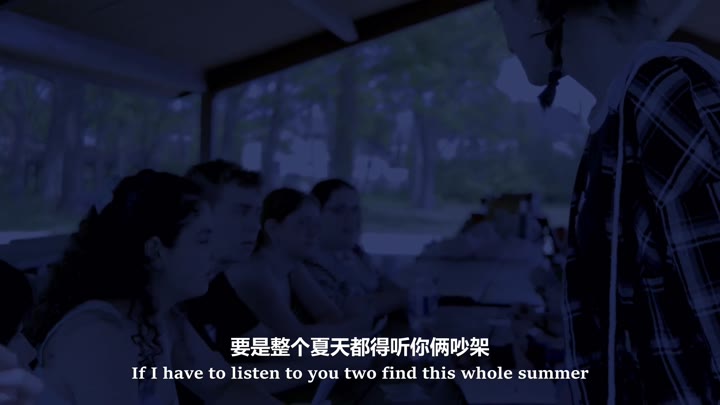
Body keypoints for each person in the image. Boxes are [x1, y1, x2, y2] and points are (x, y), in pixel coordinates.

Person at [495, 0, 719, 402]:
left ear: (538, 8)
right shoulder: (619, 113)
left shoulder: (665, 92)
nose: (508, 42)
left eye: (501, 11)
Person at [27, 169, 277, 404]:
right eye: (203, 241)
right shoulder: (97, 334)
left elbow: (222, 386)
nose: (213, 254)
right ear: (156, 251)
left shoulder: (159, 317)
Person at [243, 187, 373, 338]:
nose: (314, 232)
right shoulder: (256, 274)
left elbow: (330, 315)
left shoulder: (292, 266)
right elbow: (294, 337)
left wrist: (346, 327)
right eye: (303, 223)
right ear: (273, 228)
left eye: (317, 225)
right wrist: (353, 326)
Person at [310, 179, 407, 317]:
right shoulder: (309, 265)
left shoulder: (355, 253)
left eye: (355, 209)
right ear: (315, 216)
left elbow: (389, 287)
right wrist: (400, 297)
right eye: (339, 210)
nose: (351, 218)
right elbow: (345, 311)